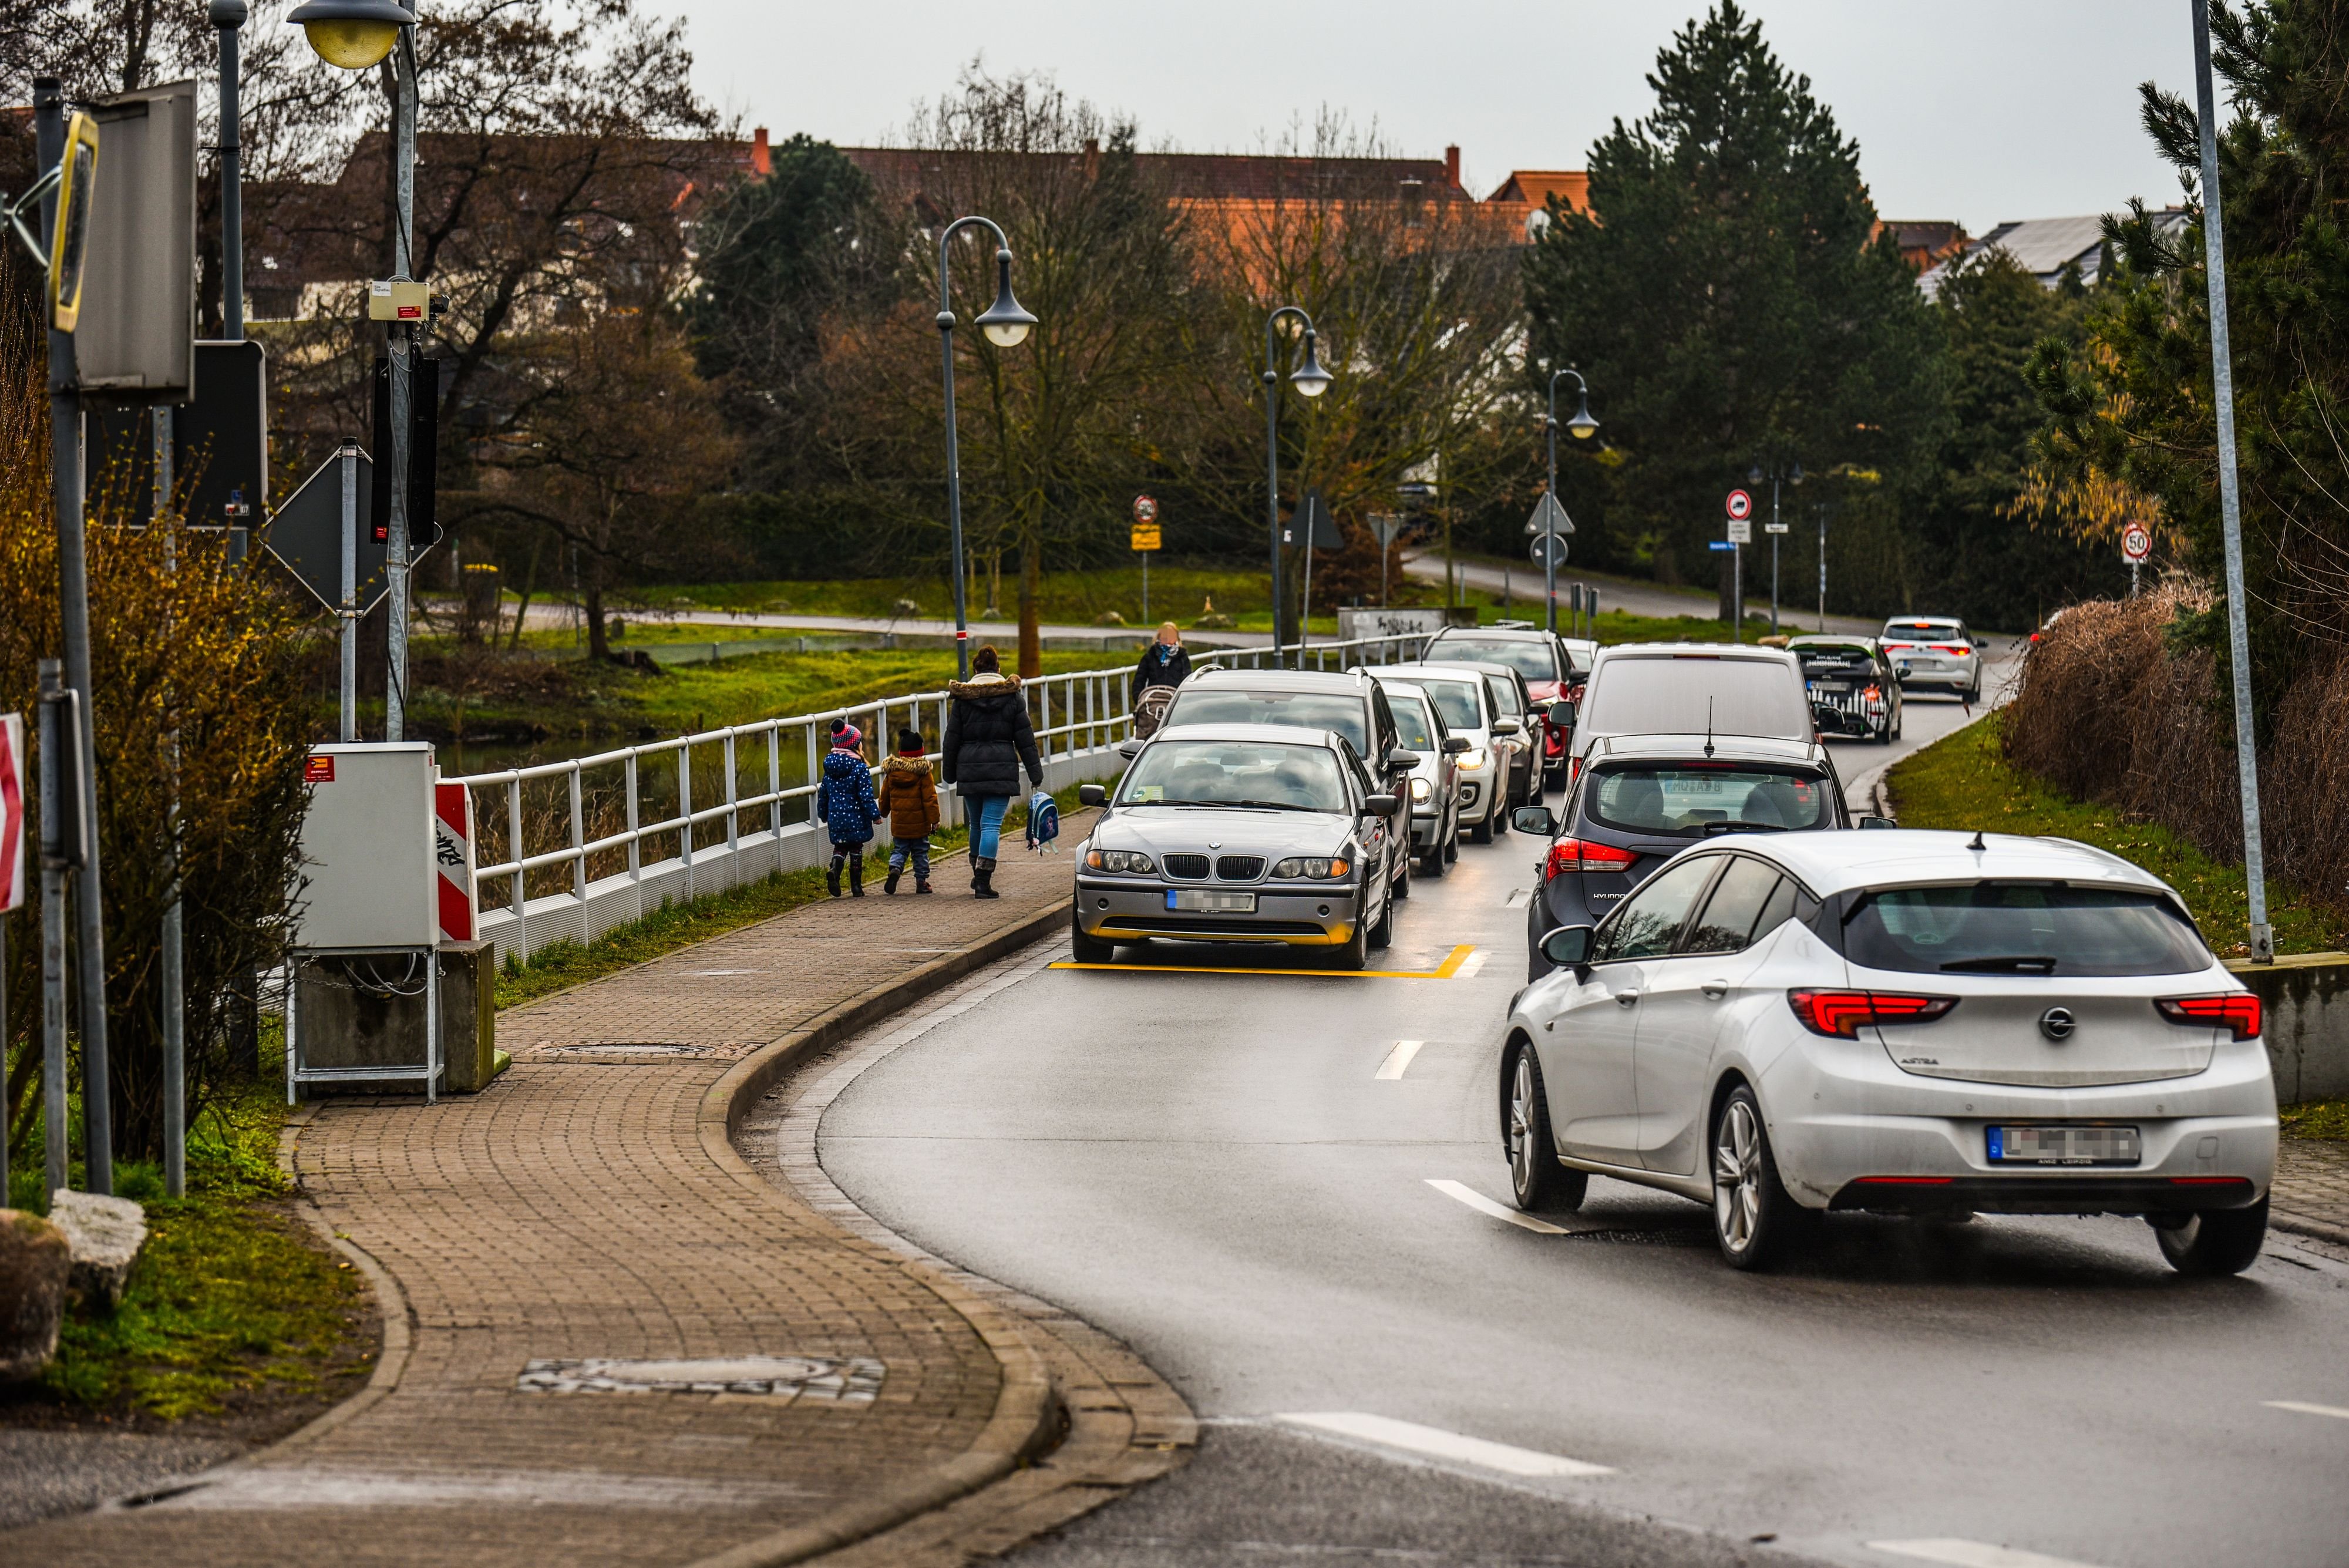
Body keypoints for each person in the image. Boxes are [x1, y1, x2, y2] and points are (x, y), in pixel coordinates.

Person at [943, 645, 1042, 899]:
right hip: (1001, 767)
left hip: (970, 767)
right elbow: (1025, 739)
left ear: (975, 670)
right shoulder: (1012, 698)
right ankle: (983, 882)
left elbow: (951, 740)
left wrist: (948, 773)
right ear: (998, 669)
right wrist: (1035, 773)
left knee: (976, 824)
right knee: (991, 826)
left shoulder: (963, 700)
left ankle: (978, 876)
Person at [815, 719, 880, 897]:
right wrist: (875, 815)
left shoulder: (829, 769)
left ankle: (835, 870)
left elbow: (824, 794)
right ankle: (856, 887)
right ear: (855, 745)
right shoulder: (859, 768)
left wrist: (823, 814)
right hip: (857, 817)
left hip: (836, 818)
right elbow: (866, 795)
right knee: (856, 850)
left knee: (841, 848)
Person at [876, 728, 941, 895]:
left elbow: (885, 796)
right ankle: (921, 882)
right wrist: (935, 819)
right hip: (920, 825)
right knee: (920, 851)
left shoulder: (892, 772)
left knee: (900, 849)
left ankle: (895, 868)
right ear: (920, 752)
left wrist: (882, 812)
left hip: (900, 823)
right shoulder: (923, 773)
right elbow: (930, 798)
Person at [1132, 622, 1192, 738]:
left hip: (1175, 701)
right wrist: (1140, 700)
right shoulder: (1149, 657)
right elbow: (1139, 680)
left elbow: (1187, 679)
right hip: (1152, 703)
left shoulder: (1182, 657)